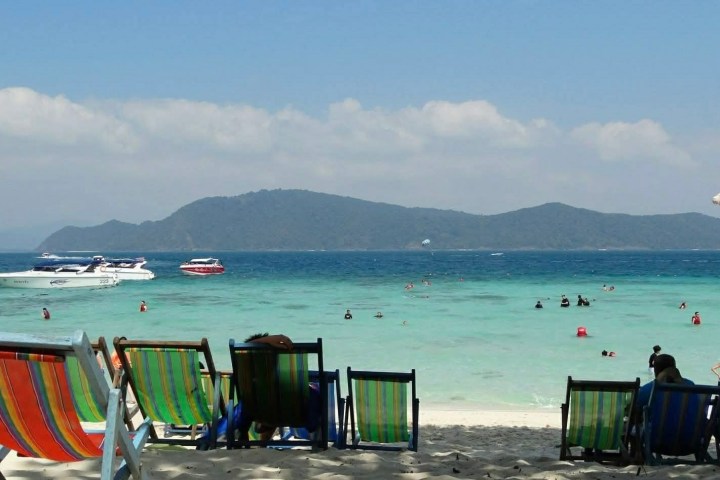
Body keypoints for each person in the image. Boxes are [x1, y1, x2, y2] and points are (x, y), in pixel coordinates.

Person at [236, 333, 319, 442]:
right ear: (275, 361)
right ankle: (316, 439)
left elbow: (245, 346)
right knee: (315, 391)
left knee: (263, 400)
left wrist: (267, 340)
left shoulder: (250, 391)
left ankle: (255, 439)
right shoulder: (290, 387)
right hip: (292, 414)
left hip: (261, 414)